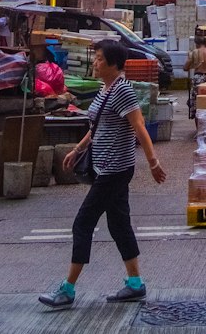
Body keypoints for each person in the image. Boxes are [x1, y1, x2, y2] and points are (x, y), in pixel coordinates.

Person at [38, 40, 166, 308]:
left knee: (82, 223)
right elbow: (98, 126)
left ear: (113, 64)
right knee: (119, 224)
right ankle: (135, 284)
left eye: (98, 58)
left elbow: (139, 126)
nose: (94, 63)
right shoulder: (105, 89)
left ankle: (68, 289)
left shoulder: (123, 91)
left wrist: (153, 162)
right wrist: (77, 149)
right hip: (104, 166)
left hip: (115, 169)